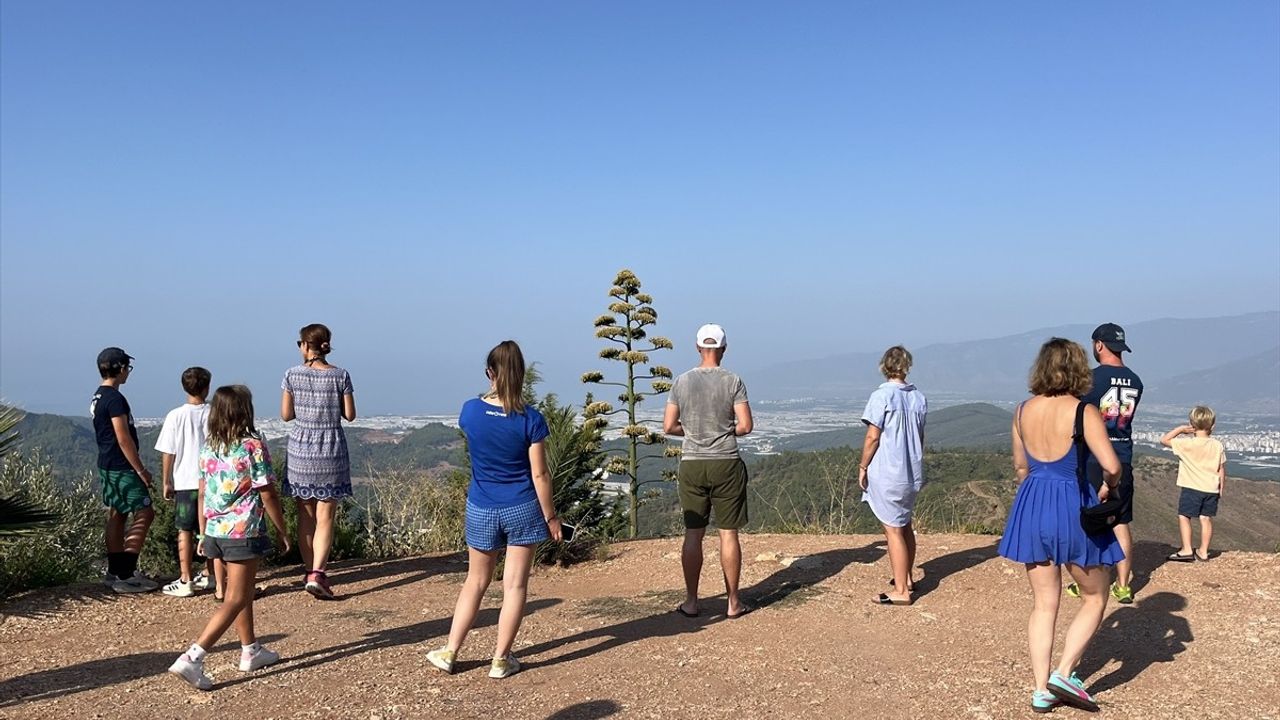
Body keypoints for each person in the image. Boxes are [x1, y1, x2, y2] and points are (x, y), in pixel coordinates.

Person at [997, 338, 1125, 714]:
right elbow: (1112, 466)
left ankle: (1040, 689)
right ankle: (1064, 672)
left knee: (1043, 603)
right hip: (1074, 502)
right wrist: (1109, 488)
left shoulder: (1021, 411)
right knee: (1095, 596)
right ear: (1077, 369)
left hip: (1033, 502)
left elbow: (1021, 467)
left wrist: (1037, 491)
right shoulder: (1083, 411)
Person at [426, 340, 562, 679]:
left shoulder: (470, 411)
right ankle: (501, 659)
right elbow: (540, 474)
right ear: (521, 376)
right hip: (522, 506)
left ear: (490, 373)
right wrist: (551, 517)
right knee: (514, 585)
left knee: (475, 581)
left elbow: (478, 430)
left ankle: (450, 651)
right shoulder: (531, 419)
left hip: (482, 506)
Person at [168, 385, 290, 690]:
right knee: (235, 596)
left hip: (215, 530)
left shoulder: (210, 447)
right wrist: (282, 528)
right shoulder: (253, 445)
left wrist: (202, 532)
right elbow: (267, 491)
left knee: (243, 590)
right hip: (243, 530)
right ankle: (193, 656)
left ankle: (251, 650)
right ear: (244, 410)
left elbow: (203, 494)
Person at [663, 323, 754, 620]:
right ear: (724, 349)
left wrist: (692, 432)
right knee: (728, 534)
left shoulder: (682, 381)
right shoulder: (733, 381)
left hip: (692, 462)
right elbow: (745, 426)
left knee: (693, 534)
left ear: (698, 348)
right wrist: (724, 431)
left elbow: (668, 426)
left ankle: (691, 601)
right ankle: (733, 602)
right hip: (726, 461)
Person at [1068, 323, 1142, 604]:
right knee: (1120, 520)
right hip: (1122, 454)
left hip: (1093, 456)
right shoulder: (1136, 380)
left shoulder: (1090, 379)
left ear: (1099, 345)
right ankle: (1123, 585)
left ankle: (1089, 580)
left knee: (1091, 519)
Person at [280, 323, 356, 599]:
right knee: (326, 516)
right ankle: (318, 574)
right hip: (331, 447)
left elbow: (286, 415)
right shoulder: (340, 375)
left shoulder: (291, 375)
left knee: (305, 514)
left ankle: (308, 569)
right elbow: (350, 414)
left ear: (304, 345)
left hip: (301, 448)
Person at [858, 346, 927, 606]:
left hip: (888, 471)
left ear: (884, 366)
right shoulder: (919, 398)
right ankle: (906, 577)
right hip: (911, 472)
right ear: (907, 366)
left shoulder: (881, 397)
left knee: (892, 531)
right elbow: (920, 437)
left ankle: (901, 590)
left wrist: (863, 466)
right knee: (905, 524)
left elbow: (873, 436)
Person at [90, 347, 158, 593]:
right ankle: (126, 574)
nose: (128, 372)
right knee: (145, 513)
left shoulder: (98, 396)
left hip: (107, 464)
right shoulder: (115, 399)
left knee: (117, 513)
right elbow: (123, 438)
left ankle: (114, 570)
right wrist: (140, 470)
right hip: (122, 466)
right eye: (127, 367)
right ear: (119, 368)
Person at [156, 367, 222, 598]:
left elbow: (168, 452)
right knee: (210, 528)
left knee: (184, 529)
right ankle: (211, 573)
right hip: (212, 481)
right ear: (207, 387)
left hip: (184, 481)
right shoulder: (215, 413)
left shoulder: (175, 416)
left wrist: (166, 481)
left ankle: (185, 578)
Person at [1160, 406, 1226, 562]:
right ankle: (1203, 551)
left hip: (1192, 487)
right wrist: (1221, 488)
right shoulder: (1217, 445)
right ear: (1213, 426)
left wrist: (1181, 430)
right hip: (1211, 488)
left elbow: (1164, 440)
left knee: (1184, 516)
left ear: (1192, 425)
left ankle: (1186, 549)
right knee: (1206, 519)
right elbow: (1221, 469)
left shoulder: (1187, 444)